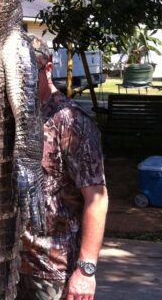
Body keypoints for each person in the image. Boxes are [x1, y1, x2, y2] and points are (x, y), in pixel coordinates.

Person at [18, 39, 110, 300]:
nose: (21, 81)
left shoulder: (71, 120)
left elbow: (97, 199)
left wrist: (86, 270)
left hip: (54, 272)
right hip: (10, 266)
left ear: (48, 68)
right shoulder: (14, 119)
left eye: (27, 72)